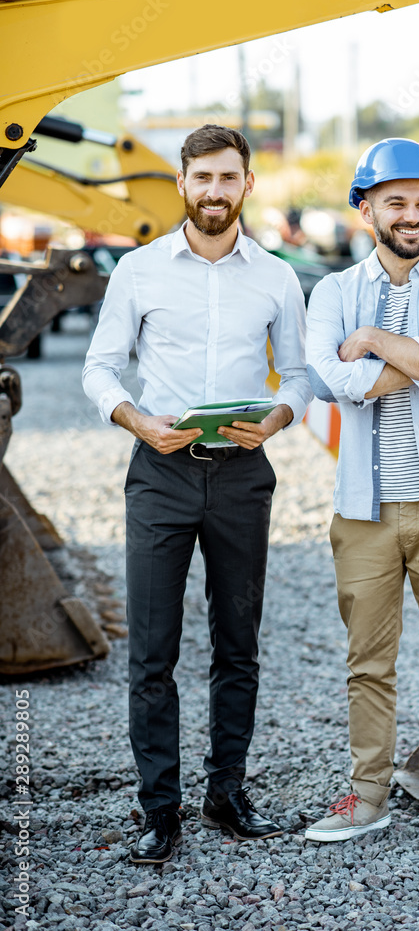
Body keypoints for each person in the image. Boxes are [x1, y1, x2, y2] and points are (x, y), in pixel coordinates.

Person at [83, 124, 311, 863]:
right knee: (152, 652)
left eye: (228, 177)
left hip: (242, 474)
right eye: (202, 177)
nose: (214, 191)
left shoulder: (276, 276)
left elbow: (301, 377)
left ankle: (226, 792)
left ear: (248, 185)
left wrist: (275, 419)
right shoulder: (139, 271)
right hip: (161, 473)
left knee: (236, 645)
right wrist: (138, 422)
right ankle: (160, 811)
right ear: (182, 184)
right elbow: (99, 368)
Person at [304, 138, 419, 853]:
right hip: (364, 513)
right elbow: (337, 385)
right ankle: (368, 796)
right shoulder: (330, 294)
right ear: (365, 210)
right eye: (395, 203)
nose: (412, 216)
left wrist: (374, 339)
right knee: (367, 663)